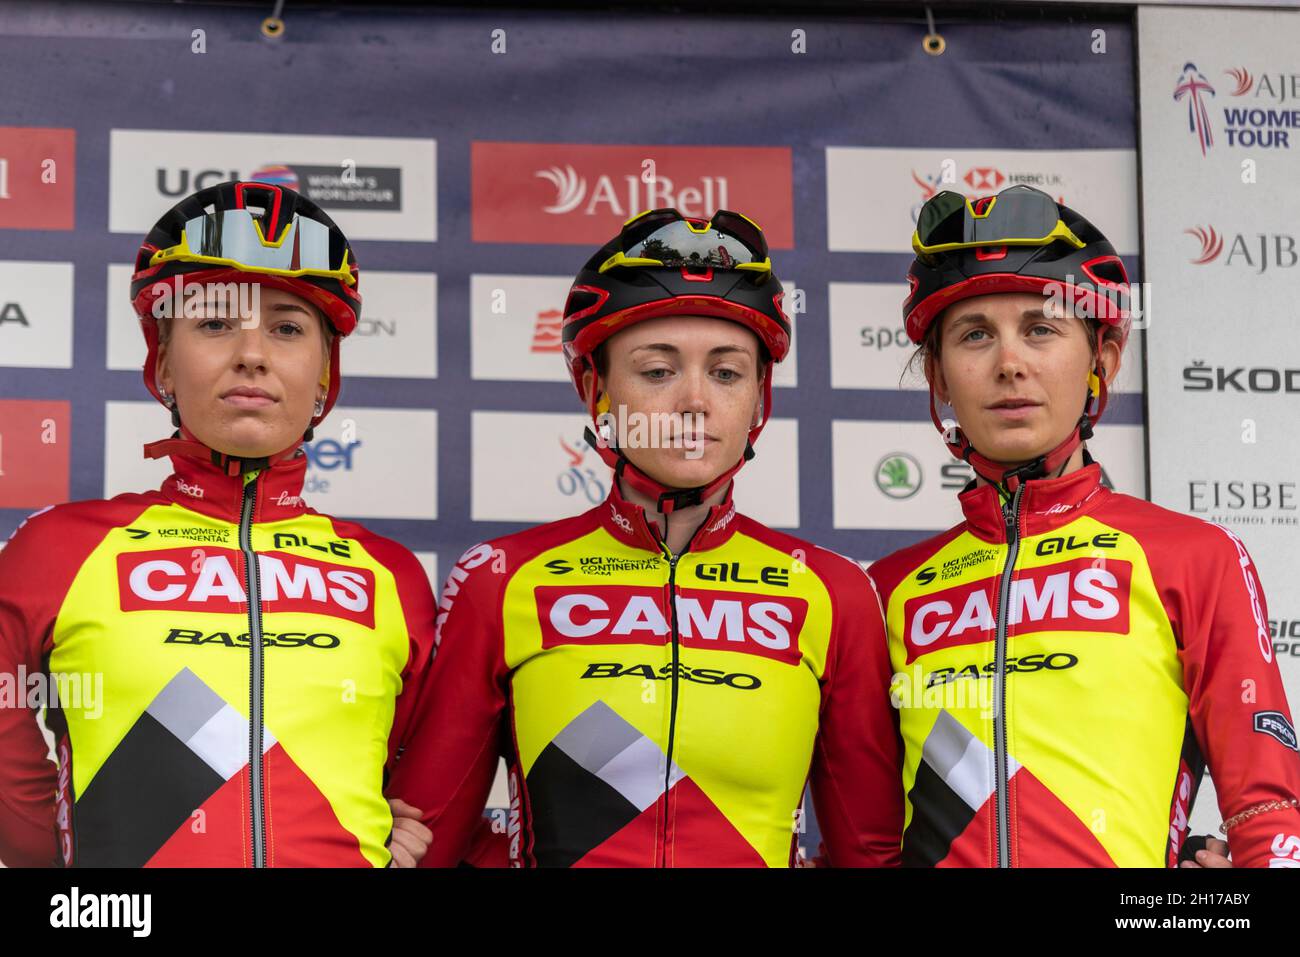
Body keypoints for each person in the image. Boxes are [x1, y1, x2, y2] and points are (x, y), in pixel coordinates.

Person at [387, 208, 903, 866]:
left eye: (726, 372)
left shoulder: (834, 592)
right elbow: (425, 842)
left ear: (760, 400)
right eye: (657, 371)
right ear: (596, 390)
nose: (694, 401)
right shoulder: (502, 580)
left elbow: (871, 852)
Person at [0, 180, 432, 867]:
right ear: (163, 363)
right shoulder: (56, 548)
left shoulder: (393, 576)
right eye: (214, 322)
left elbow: (410, 789)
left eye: (287, 328)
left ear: (326, 375)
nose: (251, 353)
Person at [868, 184, 1300, 867]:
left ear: (1102, 361)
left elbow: (1269, 811)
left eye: (1041, 328)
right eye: (974, 333)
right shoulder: (885, 590)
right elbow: (865, 843)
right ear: (940, 378)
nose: (1009, 362)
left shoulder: (1193, 557)